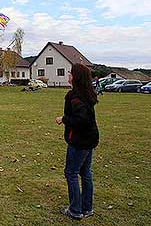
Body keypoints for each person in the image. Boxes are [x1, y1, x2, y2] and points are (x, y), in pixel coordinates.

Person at [55, 63, 99, 221]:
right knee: (85, 173)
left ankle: (75, 210)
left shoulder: (74, 96)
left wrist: (63, 119)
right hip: (90, 139)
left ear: (76, 77)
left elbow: (81, 119)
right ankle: (87, 208)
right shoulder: (87, 93)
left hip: (80, 141)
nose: (68, 75)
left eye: (70, 73)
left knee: (71, 173)